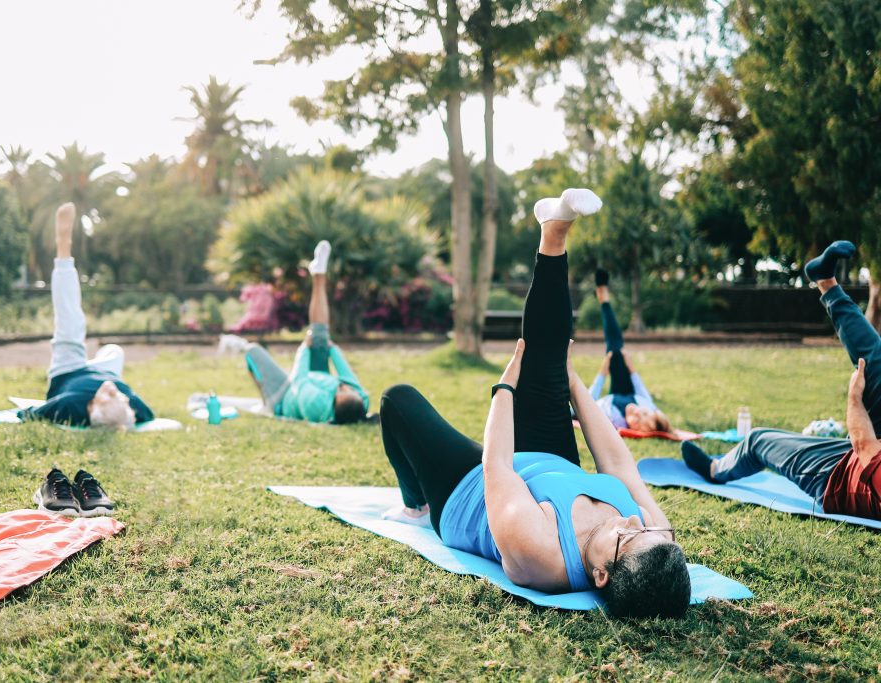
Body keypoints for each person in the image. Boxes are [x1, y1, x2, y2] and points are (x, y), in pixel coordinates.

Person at [378, 190, 691, 618]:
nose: (633, 520)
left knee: (398, 401)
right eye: (647, 527)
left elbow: (497, 467)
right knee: (548, 355)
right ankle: (554, 231)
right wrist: (571, 381)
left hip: (469, 491)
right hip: (551, 462)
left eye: (627, 536)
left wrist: (505, 391)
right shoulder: (655, 539)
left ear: (600, 575)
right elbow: (618, 466)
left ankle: (416, 505)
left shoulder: (540, 554)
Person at [683, 240, 881, 519]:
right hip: (867, 452)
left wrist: (854, 398)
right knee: (876, 363)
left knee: (758, 440)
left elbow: (864, 446)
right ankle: (826, 281)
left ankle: (716, 470)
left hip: (835, 477)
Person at [19, 203, 155, 429]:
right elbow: (147, 414)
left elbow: (30, 414)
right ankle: (98, 362)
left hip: (69, 369)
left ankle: (63, 247)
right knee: (115, 350)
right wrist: (123, 412)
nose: (113, 391)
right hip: (105, 369)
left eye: (108, 397)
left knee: (70, 319)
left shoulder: (71, 404)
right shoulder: (124, 401)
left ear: (91, 406)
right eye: (119, 398)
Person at [243, 241, 370, 424]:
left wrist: (304, 347)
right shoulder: (360, 400)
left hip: (285, 393)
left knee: (251, 351)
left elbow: (299, 381)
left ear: (333, 403)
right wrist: (332, 349)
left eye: (341, 391)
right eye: (349, 390)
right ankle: (319, 274)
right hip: (316, 377)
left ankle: (268, 403)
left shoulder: (315, 405)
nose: (343, 386)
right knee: (320, 336)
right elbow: (348, 375)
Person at [587, 270, 671, 433]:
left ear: (631, 428)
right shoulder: (646, 405)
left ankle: (604, 299)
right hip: (627, 391)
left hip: (612, 399)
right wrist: (631, 368)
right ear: (651, 410)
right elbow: (641, 391)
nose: (638, 413)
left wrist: (603, 373)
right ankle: (604, 300)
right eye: (644, 413)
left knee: (612, 355)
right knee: (617, 351)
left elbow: (587, 403)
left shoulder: (611, 418)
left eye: (637, 420)